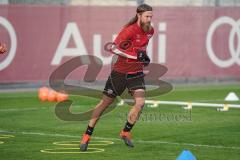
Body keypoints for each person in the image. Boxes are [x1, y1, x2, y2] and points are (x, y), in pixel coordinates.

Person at [80, 3, 154, 151]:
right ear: (139, 15)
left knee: (140, 103)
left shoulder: (150, 30)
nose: (149, 19)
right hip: (119, 73)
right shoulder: (129, 30)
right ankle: (87, 135)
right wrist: (135, 56)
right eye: (147, 16)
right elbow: (113, 48)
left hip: (136, 74)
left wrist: (144, 58)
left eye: (151, 16)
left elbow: (141, 49)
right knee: (104, 104)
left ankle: (125, 132)